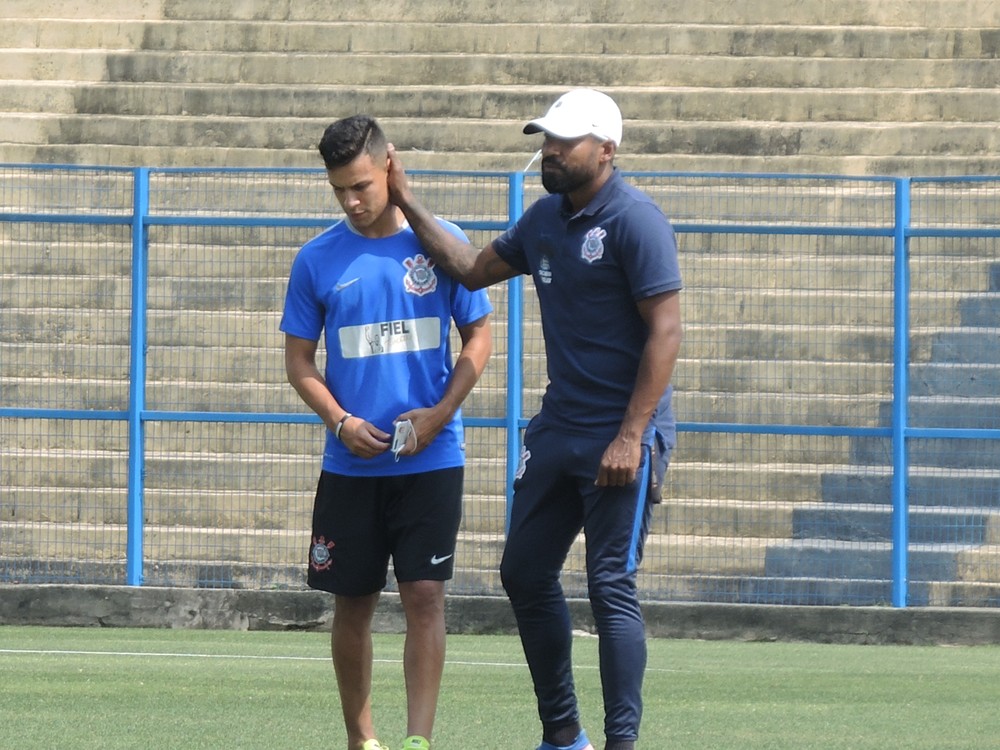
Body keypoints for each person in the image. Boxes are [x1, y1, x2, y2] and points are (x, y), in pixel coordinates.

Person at [386, 88, 683, 750]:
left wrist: (632, 435)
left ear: (605, 152)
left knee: (609, 586)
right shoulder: (544, 218)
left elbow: (666, 332)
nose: (548, 149)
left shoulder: (636, 221)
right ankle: (562, 735)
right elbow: (467, 269)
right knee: (522, 571)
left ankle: (621, 743)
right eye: (545, 137)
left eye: (563, 140)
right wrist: (404, 198)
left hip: (622, 436)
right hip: (559, 428)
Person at [280, 114, 493, 750]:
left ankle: (418, 742)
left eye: (363, 184)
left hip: (432, 460)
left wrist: (439, 415)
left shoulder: (442, 243)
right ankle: (360, 738)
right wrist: (339, 421)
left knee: (426, 596)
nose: (351, 199)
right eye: (339, 188)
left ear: (390, 166)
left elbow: (478, 336)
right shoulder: (317, 259)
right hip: (351, 466)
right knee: (353, 604)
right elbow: (298, 362)